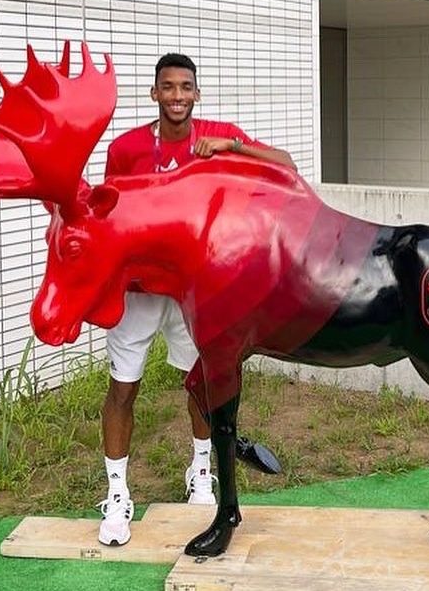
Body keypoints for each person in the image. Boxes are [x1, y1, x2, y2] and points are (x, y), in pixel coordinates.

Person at [98, 53, 296, 547]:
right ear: (154, 94)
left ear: (197, 94)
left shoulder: (217, 134)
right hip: (140, 291)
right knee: (123, 387)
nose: (178, 96)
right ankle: (118, 494)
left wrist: (231, 146)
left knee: (203, 387)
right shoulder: (125, 149)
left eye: (186, 87)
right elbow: (108, 216)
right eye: (168, 88)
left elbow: (285, 166)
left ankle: (201, 472)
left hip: (196, 294)